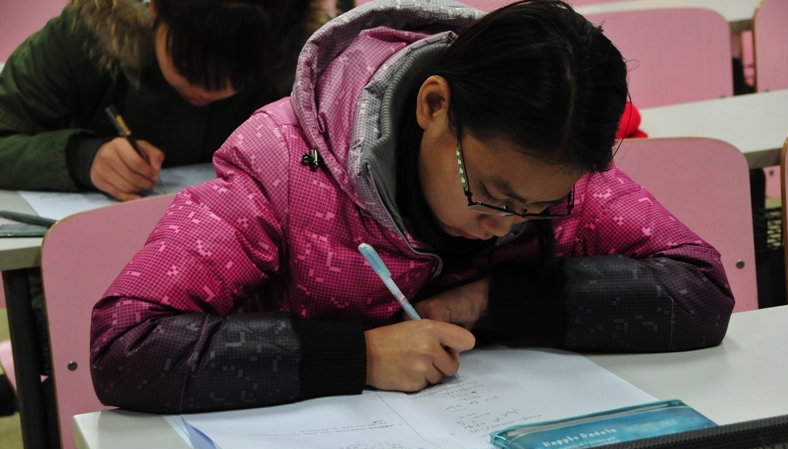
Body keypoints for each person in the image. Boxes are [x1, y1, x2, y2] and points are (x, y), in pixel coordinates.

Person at [90, 0, 735, 414]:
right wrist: (358, 356)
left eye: (535, 210)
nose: (506, 226)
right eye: (490, 194)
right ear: (433, 106)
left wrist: (490, 301)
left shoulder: (549, 169)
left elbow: (700, 291)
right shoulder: (283, 162)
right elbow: (127, 344)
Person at [0, 0, 329, 200]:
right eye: (188, 65)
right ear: (155, 7)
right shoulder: (82, 40)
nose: (205, 90)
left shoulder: (308, 60)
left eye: (237, 72)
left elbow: (333, 162)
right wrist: (81, 158)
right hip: (91, 254)